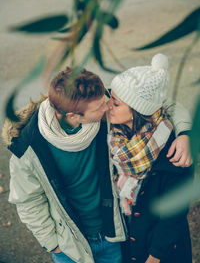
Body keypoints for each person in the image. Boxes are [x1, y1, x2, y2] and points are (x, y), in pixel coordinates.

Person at [1, 66, 191, 263]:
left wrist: (184, 133)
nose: (108, 105)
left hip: (113, 238)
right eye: (101, 106)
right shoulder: (29, 146)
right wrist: (52, 243)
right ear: (73, 116)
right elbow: (27, 201)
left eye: (108, 100)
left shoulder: (101, 106)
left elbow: (160, 104)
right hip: (69, 246)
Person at [107, 53, 193, 263]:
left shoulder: (174, 152)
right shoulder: (113, 135)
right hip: (126, 243)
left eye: (116, 103)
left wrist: (156, 257)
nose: (107, 105)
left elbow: (173, 215)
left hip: (160, 251)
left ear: (138, 111)